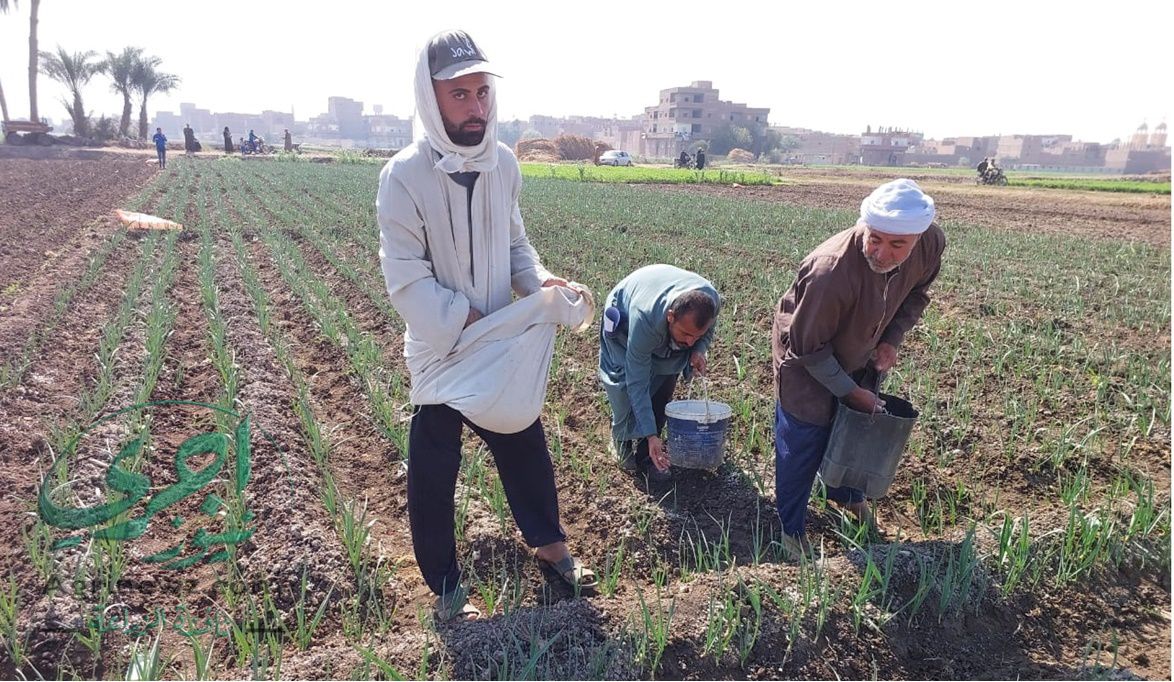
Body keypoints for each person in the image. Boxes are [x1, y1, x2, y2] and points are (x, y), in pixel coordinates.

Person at [377, 29, 597, 623]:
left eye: (481, 93)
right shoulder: (404, 177)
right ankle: (446, 585)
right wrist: (460, 318)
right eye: (459, 95)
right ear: (431, 97)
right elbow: (405, 278)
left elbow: (516, 245)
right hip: (442, 346)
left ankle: (551, 547)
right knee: (433, 461)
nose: (475, 108)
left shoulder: (503, 165)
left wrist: (541, 283)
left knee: (523, 437)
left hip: (497, 338)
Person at [771, 178, 945, 557]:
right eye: (874, 238)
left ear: (917, 237)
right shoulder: (829, 271)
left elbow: (917, 295)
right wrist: (850, 390)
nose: (881, 253)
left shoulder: (931, 244)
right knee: (804, 434)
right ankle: (790, 529)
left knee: (852, 429)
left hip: (863, 344)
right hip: (806, 355)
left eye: (897, 245)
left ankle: (846, 496)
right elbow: (808, 346)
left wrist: (891, 338)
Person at [598, 265, 719, 483]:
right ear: (671, 316)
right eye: (686, 334)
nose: (690, 341)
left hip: (661, 323)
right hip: (625, 323)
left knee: (665, 382)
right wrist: (650, 433)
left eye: (695, 336)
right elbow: (638, 382)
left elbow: (707, 330)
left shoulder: (710, 301)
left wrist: (699, 350)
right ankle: (621, 439)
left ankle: (647, 452)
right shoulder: (644, 318)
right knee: (624, 387)